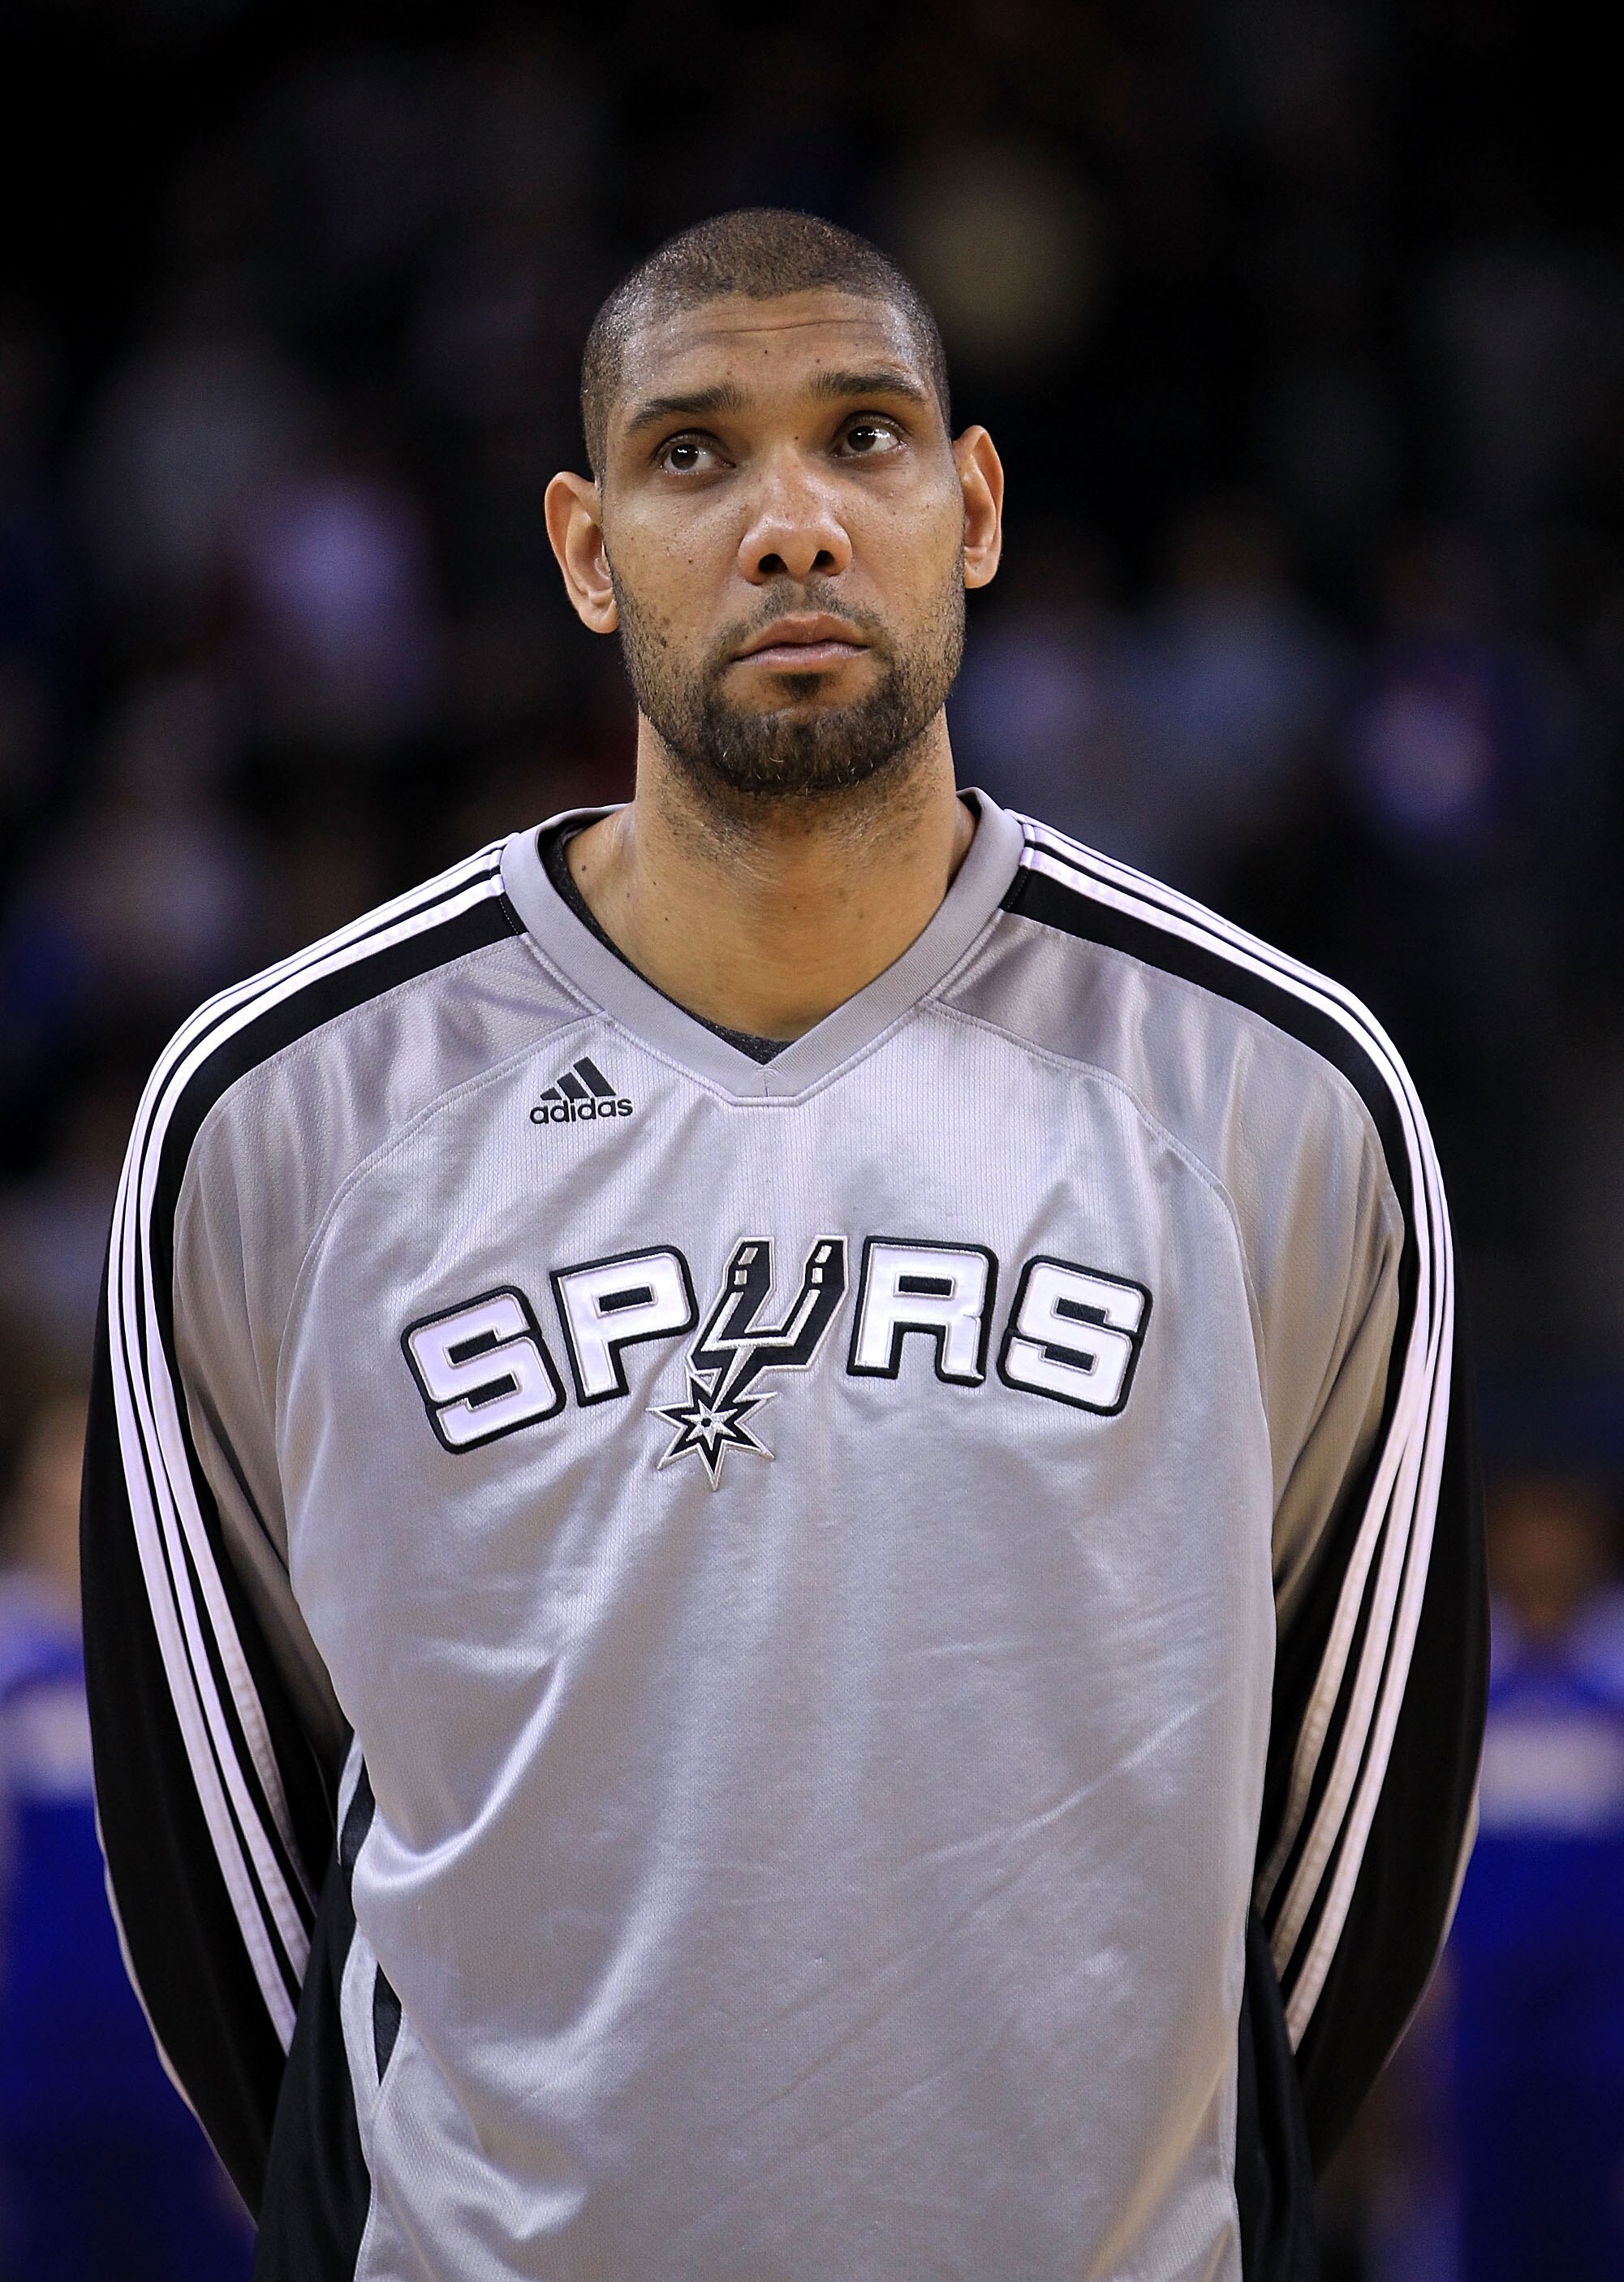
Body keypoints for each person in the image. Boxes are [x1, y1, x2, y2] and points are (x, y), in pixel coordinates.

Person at [80, 209, 1484, 2282]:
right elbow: (225, 1889)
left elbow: (1337, 1879)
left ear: (973, 505)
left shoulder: (1278, 1099)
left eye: (863, 436)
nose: (792, 522)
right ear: (579, 547)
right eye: (690, 455)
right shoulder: (282, 1110)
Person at [0, 1383, 253, 2280]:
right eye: (60, 1459)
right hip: (34, 2081)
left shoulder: (190, 1652)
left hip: (177, 2082)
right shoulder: (14, 1664)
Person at [1448, 1468, 1624, 2280]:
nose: (1543, 1545)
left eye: (1562, 1524)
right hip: (1483, 2013)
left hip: (1603, 2013)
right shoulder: (1460, 1675)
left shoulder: (1613, 1676)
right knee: (1485, 2219)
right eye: (1527, 1525)